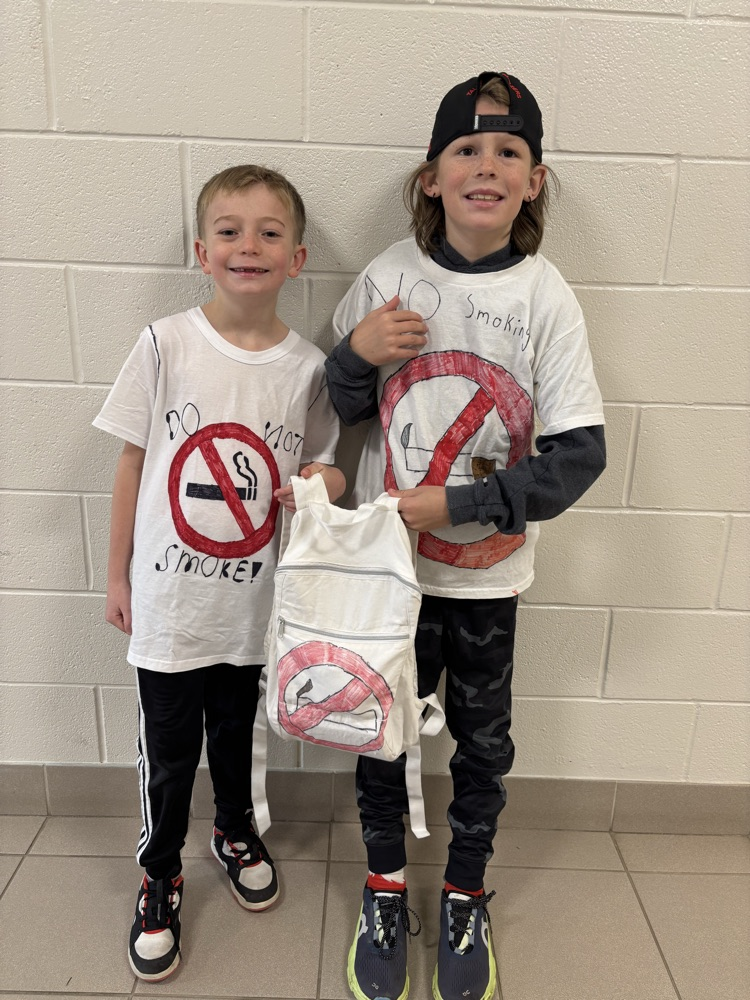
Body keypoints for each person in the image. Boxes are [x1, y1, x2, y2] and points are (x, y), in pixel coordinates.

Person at [325, 72, 606, 1000]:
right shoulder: (387, 278)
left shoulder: (545, 297)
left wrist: (462, 507)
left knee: (484, 747)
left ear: (534, 182)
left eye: (509, 151)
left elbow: (576, 457)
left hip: (485, 583)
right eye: (467, 149)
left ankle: (466, 890)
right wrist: (356, 355)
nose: (487, 165)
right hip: (387, 582)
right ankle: (382, 885)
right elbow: (340, 408)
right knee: (381, 734)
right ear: (432, 177)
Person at [94, 164, 344, 982]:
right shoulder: (165, 344)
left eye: (270, 232)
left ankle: (233, 829)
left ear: (297, 257)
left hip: (253, 608)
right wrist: (117, 576)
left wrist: (316, 486)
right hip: (170, 605)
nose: (249, 246)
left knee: (237, 735)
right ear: (203, 250)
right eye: (230, 231)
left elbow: (329, 466)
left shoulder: (307, 366)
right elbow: (134, 462)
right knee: (168, 753)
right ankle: (158, 873)